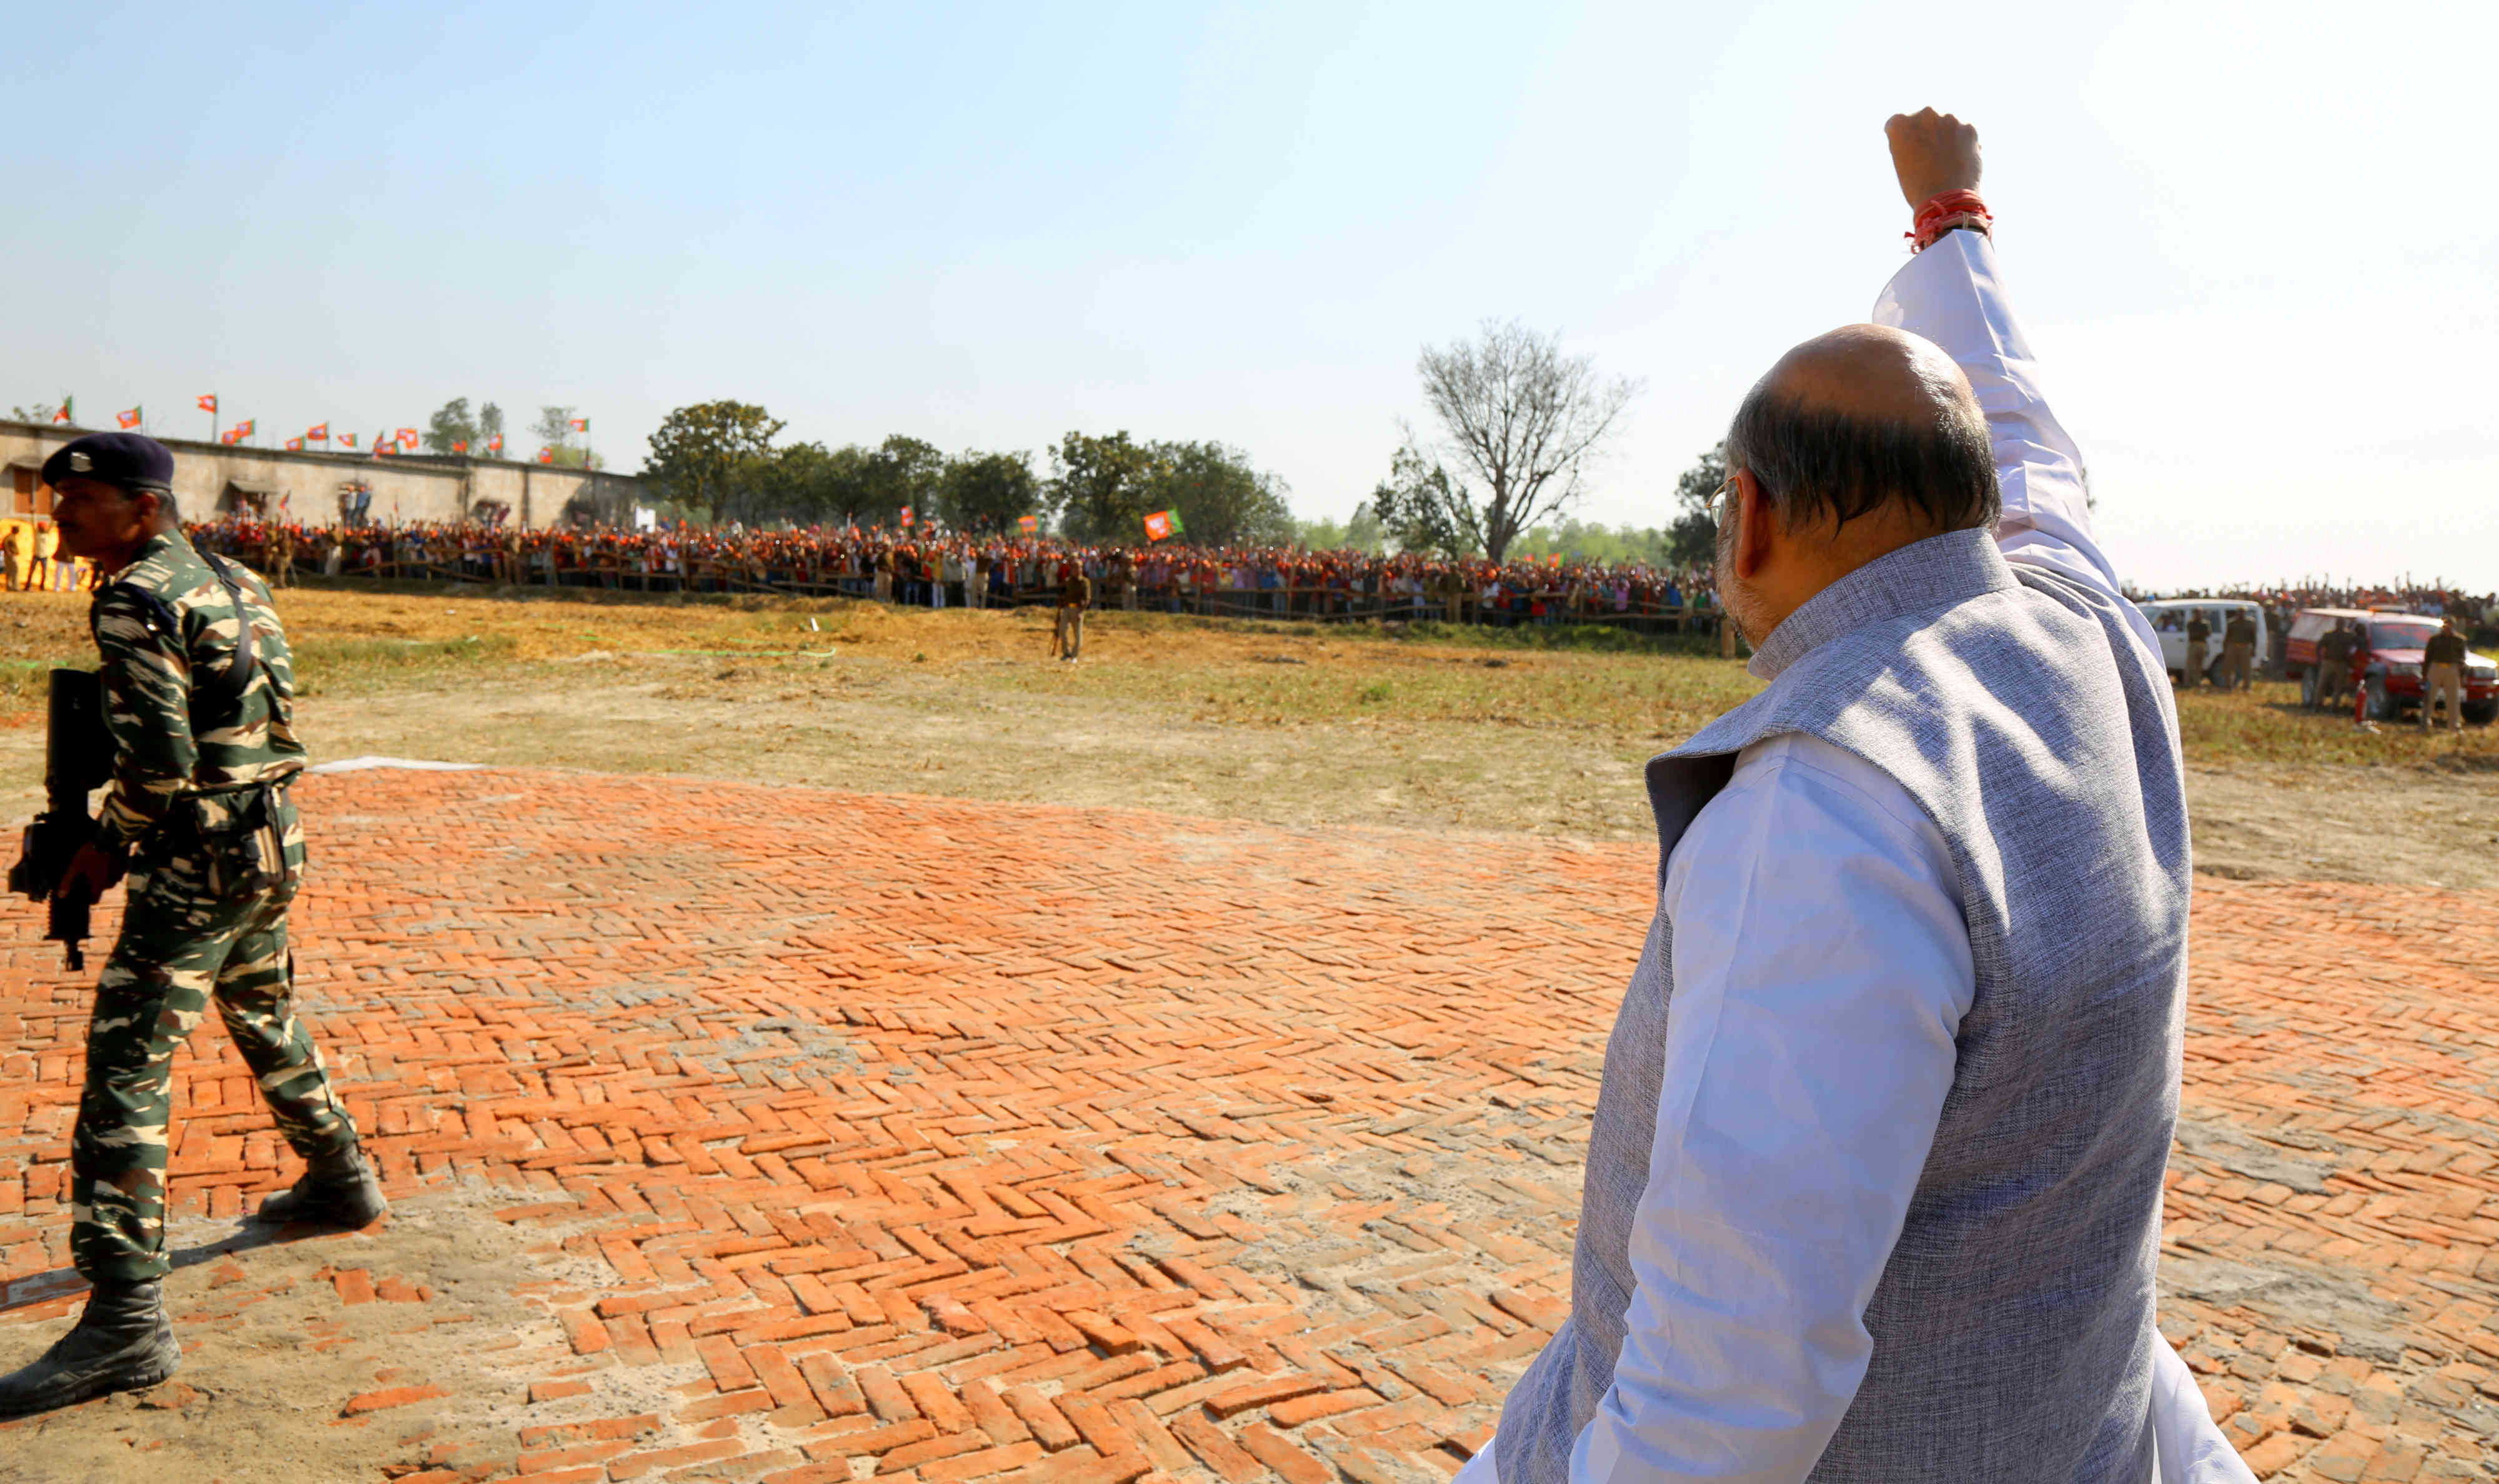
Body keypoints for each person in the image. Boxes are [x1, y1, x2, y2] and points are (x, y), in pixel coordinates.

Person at [1463, 112, 2252, 1482]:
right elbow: (2033, 454)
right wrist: (1952, 221)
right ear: (1973, 507)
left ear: (1748, 515)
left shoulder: (1822, 801)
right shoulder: (2088, 635)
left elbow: (1727, 1390)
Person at [0, 433, 387, 1418]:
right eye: (55, 502)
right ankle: (341, 1176)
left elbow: (159, 765)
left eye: (78, 503)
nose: (60, 519)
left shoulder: (132, 596)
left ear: (141, 508)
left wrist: (103, 848)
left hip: (197, 861)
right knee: (263, 1012)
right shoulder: (233, 575)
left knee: (126, 1068)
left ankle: (126, 1323)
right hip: (268, 842)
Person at [2423, 614, 2468, 732]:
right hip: (2435, 667)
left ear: (2453, 625)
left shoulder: (2460, 640)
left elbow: (2462, 659)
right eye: (2445, 623)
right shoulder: (2434, 639)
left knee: (2453, 698)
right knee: (2429, 696)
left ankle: (2454, 725)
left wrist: (2462, 675)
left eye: (2450, 624)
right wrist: (2425, 675)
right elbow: (2427, 658)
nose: (2447, 626)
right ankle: (2425, 723)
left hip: (2452, 669)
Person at [1055, 559, 1091, 661]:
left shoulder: (1085, 582)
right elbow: (1063, 595)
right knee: (1062, 630)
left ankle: (1074, 655)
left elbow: (1087, 599)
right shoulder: (1068, 581)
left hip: (1078, 609)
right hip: (1067, 608)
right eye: (1075, 567)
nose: (1077, 570)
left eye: (1079, 567)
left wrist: (1081, 612)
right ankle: (1066, 653)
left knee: (1078, 635)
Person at [2315, 618, 2355, 709]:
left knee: (2338, 686)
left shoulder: (2348, 635)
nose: (2340, 625)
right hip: (2329, 662)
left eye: (2341, 624)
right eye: (2339, 623)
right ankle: (2318, 704)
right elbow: (2319, 646)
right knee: (2322, 684)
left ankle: (2334, 706)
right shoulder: (2329, 635)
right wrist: (2319, 659)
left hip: (2342, 663)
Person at [2220, 608, 2256, 691]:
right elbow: (2227, 637)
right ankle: (2228, 685)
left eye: (2243, 612)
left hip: (2245, 647)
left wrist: (2254, 649)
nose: (2241, 614)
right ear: (2237, 613)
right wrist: (2225, 649)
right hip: (2232, 646)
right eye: (2240, 612)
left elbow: (2253, 638)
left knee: (2247, 668)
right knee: (2229, 667)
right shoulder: (2231, 623)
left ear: (2245, 613)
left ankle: (2247, 687)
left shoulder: (2250, 623)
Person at [2183, 608, 2210, 688]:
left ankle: (2197, 682)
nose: (2198, 615)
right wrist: (2200, 633)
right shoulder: (2191, 623)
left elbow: (2208, 634)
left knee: (2200, 665)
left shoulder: (2205, 623)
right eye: (2197, 613)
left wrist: (2200, 634)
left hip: (2202, 644)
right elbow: (2193, 633)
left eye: (2200, 613)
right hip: (2194, 644)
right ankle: (2187, 683)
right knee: (2190, 665)